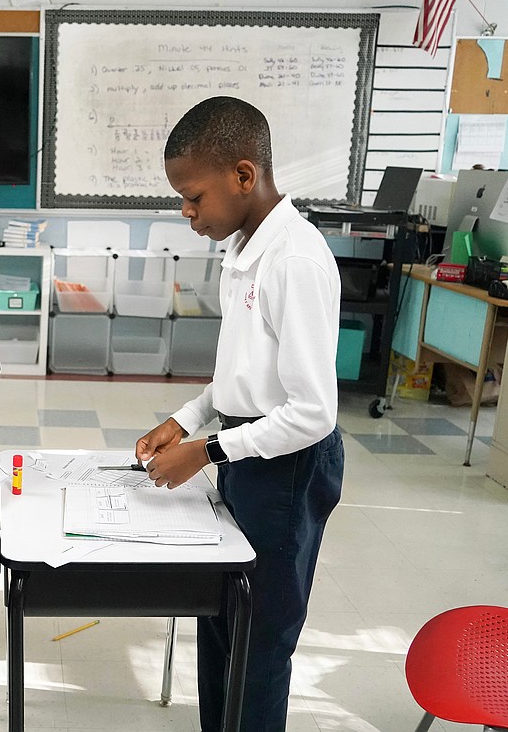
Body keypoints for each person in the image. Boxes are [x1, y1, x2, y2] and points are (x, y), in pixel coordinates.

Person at [135, 96, 345, 731]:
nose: (187, 212)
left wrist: (208, 451)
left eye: (194, 197)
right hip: (246, 452)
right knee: (220, 623)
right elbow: (241, 376)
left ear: (244, 176)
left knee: (259, 646)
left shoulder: (296, 260)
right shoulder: (244, 248)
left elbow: (312, 413)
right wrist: (187, 418)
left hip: (286, 469)